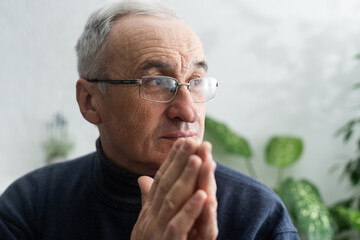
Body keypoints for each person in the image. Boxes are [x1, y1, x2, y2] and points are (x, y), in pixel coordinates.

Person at [0, 1, 299, 239]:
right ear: (90, 102)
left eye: (196, 82)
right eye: (157, 82)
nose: (188, 111)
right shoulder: (29, 208)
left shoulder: (258, 215)